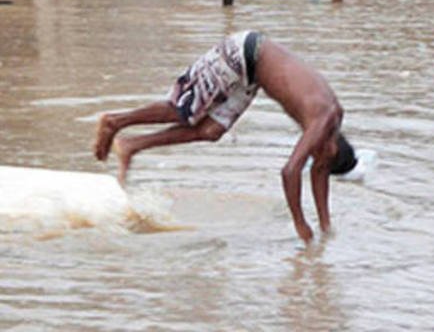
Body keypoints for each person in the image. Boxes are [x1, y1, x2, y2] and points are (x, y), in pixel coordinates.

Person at [92, 31, 357, 243]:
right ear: (331, 148)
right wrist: (300, 223)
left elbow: (319, 172)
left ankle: (132, 146)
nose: (315, 160)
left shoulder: (328, 137)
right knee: (182, 111)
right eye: (319, 158)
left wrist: (325, 227)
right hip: (245, 52)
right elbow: (290, 171)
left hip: (254, 76)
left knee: (211, 131)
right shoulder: (324, 118)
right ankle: (115, 122)